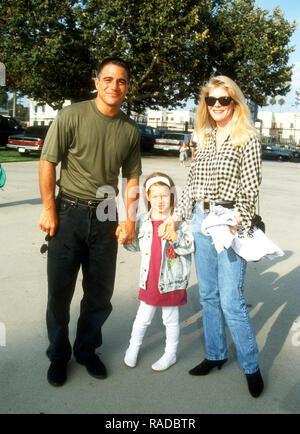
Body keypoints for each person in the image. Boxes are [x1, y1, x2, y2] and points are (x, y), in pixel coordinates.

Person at [39, 57, 142, 387]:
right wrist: (48, 209)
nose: (115, 85)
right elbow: (47, 163)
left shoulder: (129, 130)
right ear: (96, 81)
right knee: (60, 292)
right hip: (67, 211)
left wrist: (129, 220)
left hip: (106, 215)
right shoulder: (71, 116)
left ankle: (86, 350)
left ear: (127, 87)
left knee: (99, 294)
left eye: (122, 81)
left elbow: (133, 178)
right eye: (108, 79)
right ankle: (58, 354)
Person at [165, 76, 264, 397]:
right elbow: (191, 183)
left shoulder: (247, 138)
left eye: (224, 100)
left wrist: (240, 220)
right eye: (212, 100)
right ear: (205, 104)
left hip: (230, 220)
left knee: (231, 300)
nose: (218, 106)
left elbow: (250, 187)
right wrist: (177, 216)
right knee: (207, 295)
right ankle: (216, 354)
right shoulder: (203, 138)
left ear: (235, 102)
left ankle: (251, 366)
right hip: (199, 220)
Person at [118, 172, 194, 371]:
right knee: (143, 317)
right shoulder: (143, 220)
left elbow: (189, 246)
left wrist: (175, 236)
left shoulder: (180, 222)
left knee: (170, 318)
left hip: (171, 280)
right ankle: (133, 348)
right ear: (148, 197)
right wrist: (125, 239)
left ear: (172, 196)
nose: (160, 200)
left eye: (165, 195)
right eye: (155, 196)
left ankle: (170, 354)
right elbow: (135, 246)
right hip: (150, 277)